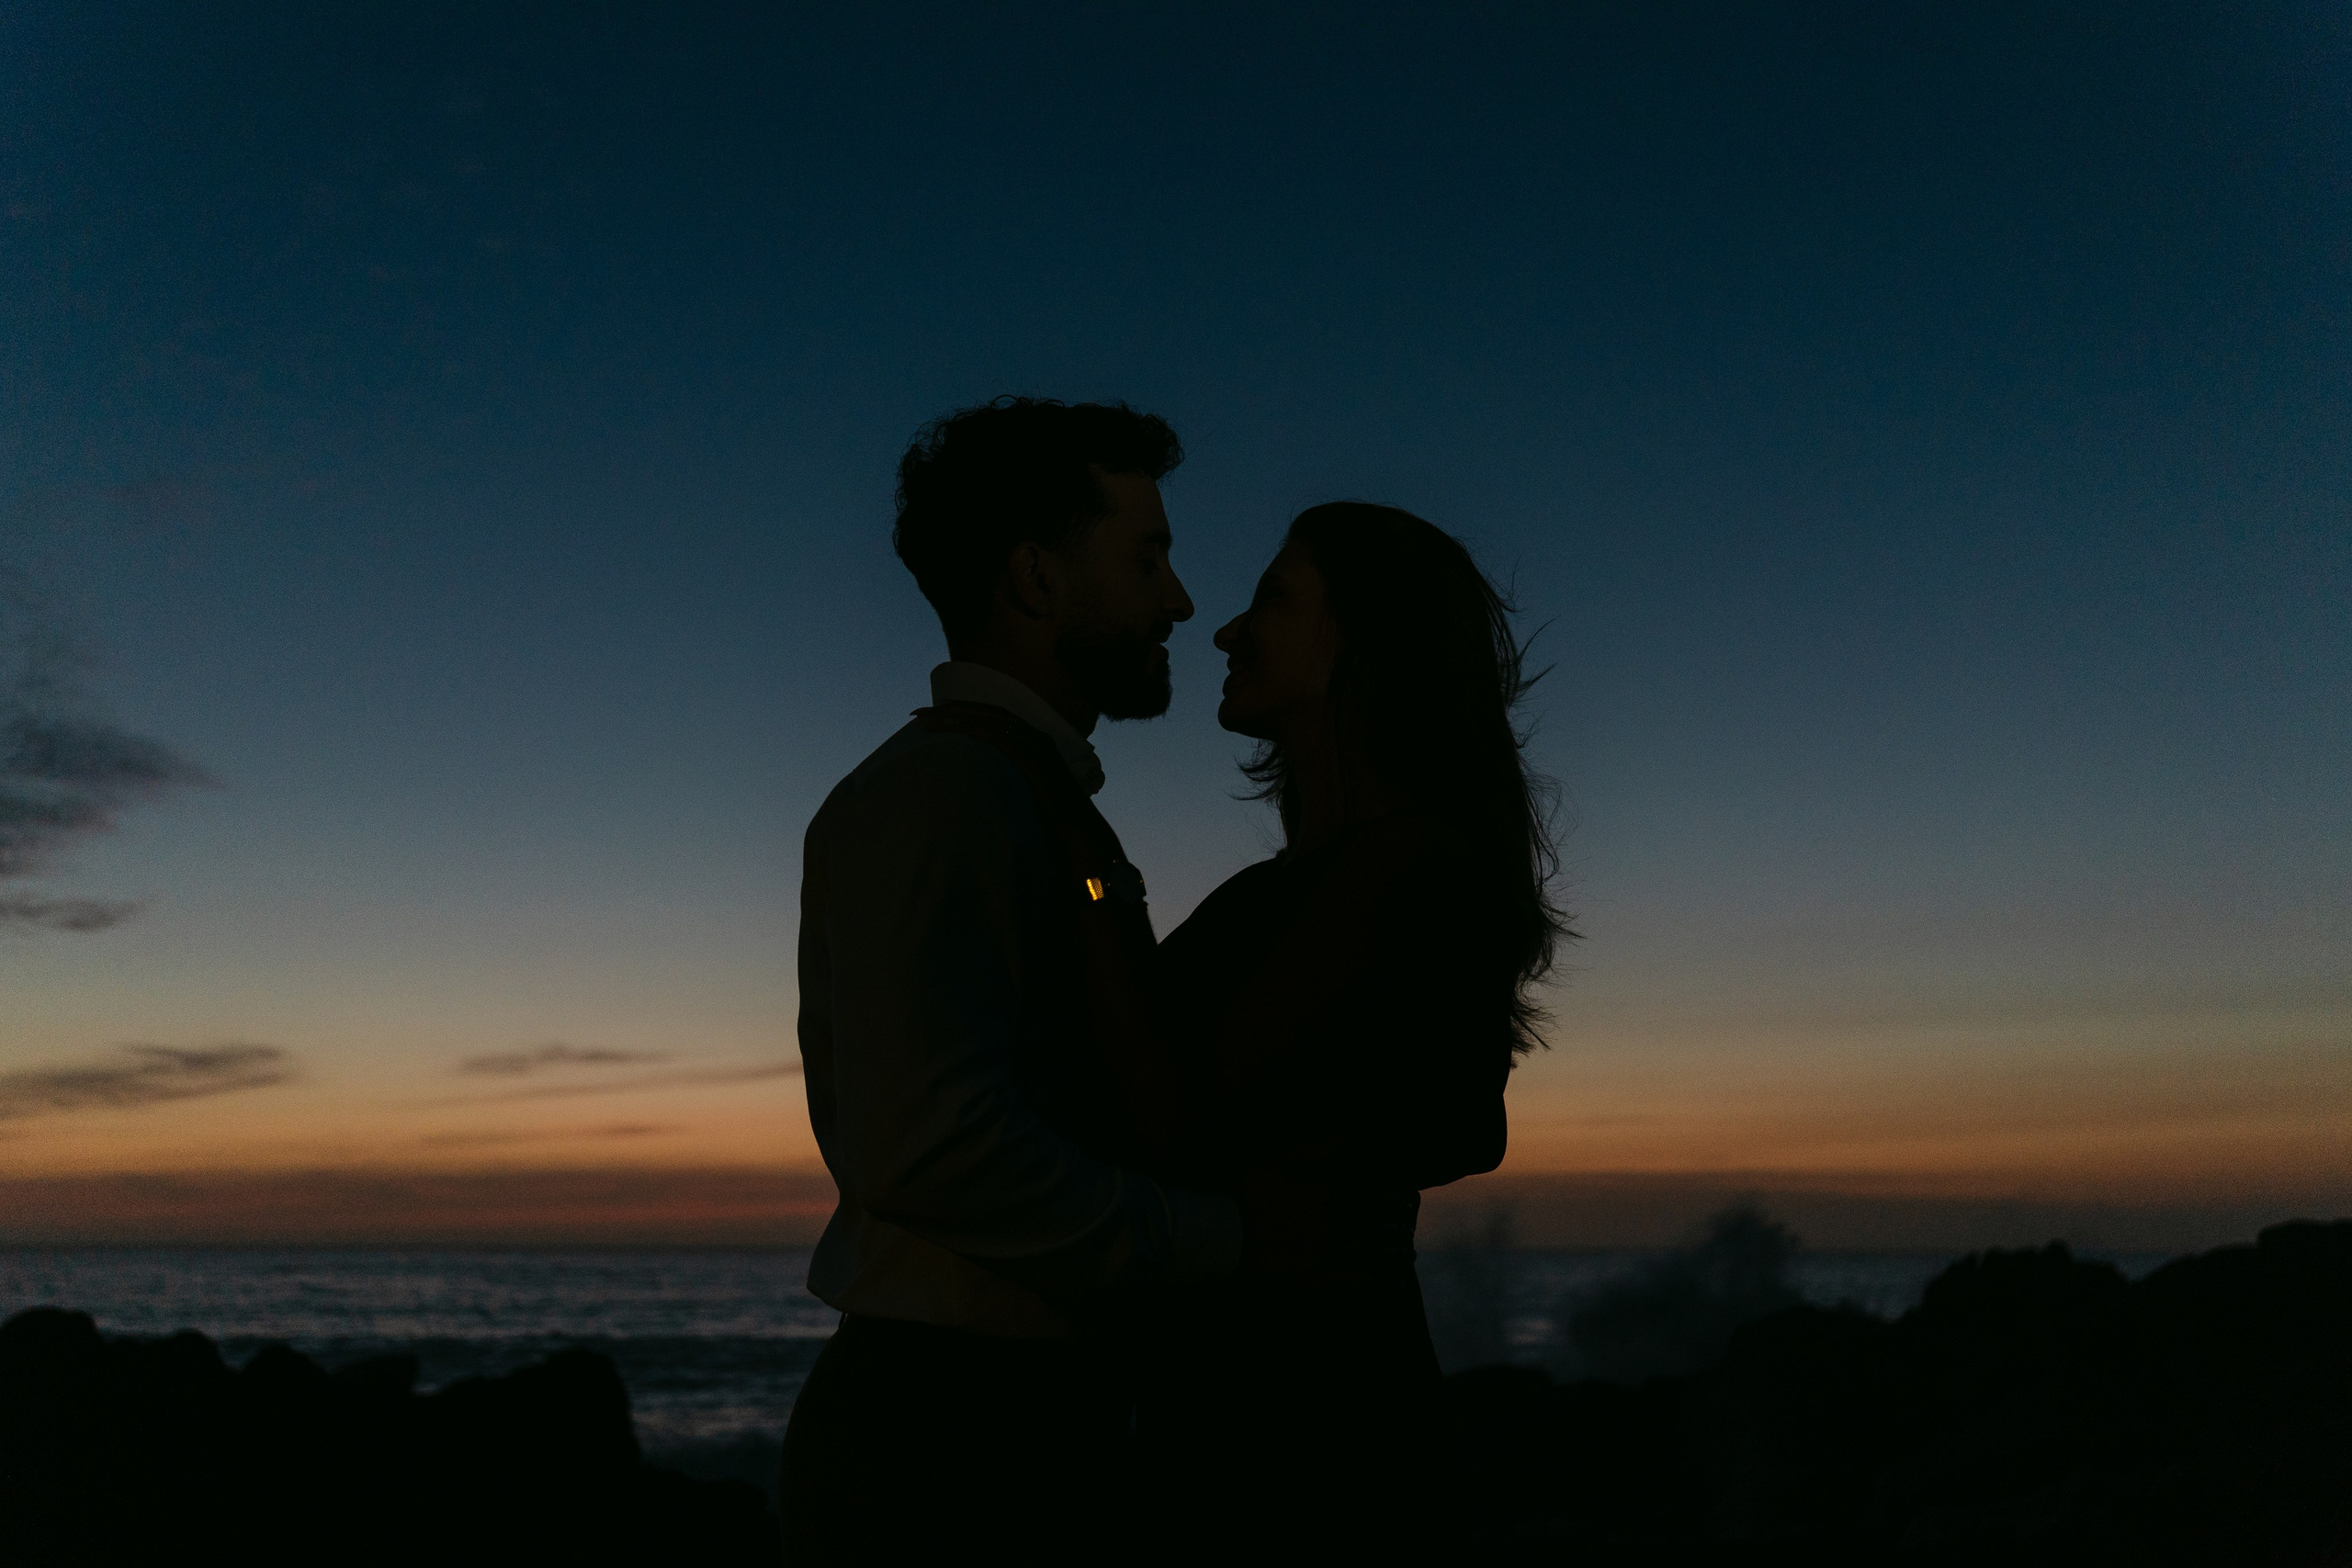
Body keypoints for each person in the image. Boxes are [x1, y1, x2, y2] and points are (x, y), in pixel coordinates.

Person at [781, 398, 1244, 1564]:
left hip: (999, 1416)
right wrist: (1220, 1239)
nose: (1182, 602)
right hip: (949, 1440)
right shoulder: (944, 796)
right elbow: (929, 1147)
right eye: (1147, 559)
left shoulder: (1019, 796)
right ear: (1036, 578)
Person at [1136, 502, 1571, 1554]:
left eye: (1272, 600)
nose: (1227, 631)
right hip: (1277, 1394)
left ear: (1369, 643)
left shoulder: (1405, 864)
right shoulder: (1305, 883)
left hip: (1305, 1416)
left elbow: (1172, 1106)